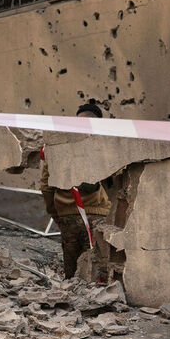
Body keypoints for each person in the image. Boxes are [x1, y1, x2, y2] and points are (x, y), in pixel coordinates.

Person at [40, 102, 112, 279]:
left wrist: (57, 214)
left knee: (72, 273)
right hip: (97, 214)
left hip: (67, 216)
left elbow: (46, 186)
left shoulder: (57, 145)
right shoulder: (101, 144)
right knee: (97, 270)